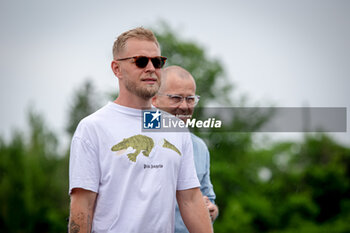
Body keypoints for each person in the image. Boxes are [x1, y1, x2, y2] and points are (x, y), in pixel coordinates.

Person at [68, 27, 213, 233]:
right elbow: (82, 206)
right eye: (140, 61)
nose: (151, 68)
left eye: (157, 61)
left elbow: (190, 199)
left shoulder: (175, 128)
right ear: (117, 69)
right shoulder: (93, 128)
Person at [152, 66, 219, 232]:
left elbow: (208, 199)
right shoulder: (136, 140)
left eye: (190, 99)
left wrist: (211, 209)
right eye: (176, 98)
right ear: (154, 99)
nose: (184, 106)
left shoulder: (199, 147)